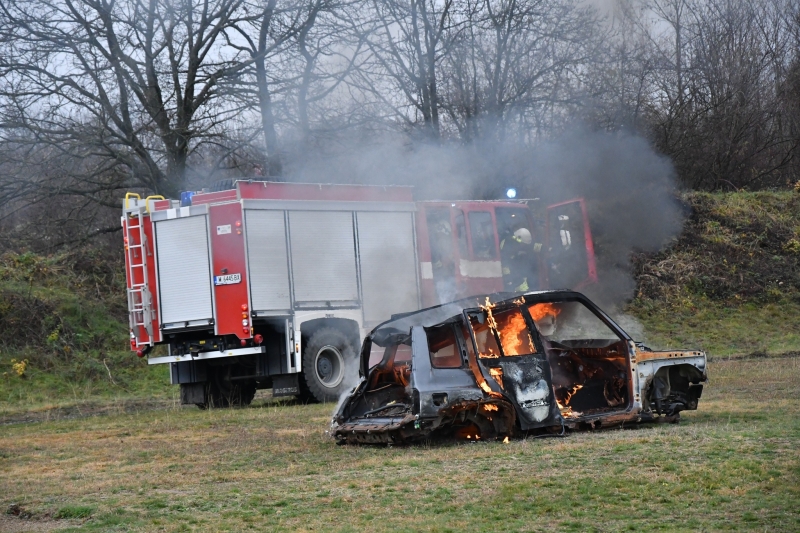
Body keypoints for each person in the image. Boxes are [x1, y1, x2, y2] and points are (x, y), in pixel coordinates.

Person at [500, 227, 539, 292]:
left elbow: (532, 246)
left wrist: (547, 249)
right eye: (523, 244)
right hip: (511, 275)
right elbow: (504, 263)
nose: (524, 245)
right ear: (518, 239)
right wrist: (508, 279)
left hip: (520, 272)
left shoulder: (521, 241)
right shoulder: (507, 244)